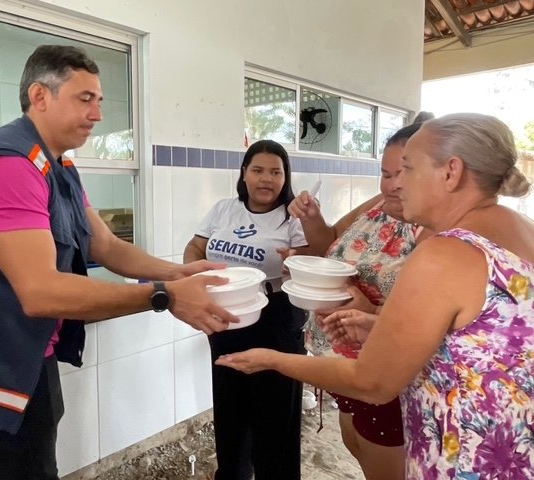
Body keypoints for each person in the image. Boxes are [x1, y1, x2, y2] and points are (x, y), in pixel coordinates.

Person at [0, 45, 238, 480]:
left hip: (28, 346)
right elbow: (40, 292)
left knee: (15, 464)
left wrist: (176, 272)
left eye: (99, 101)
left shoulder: (57, 165)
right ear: (40, 96)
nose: (97, 114)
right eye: (85, 99)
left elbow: (104, 245)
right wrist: (164, 296)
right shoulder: (8, 164)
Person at [216, 113, 534, 480]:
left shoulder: (446, 253)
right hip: (516, 447)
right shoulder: (519, 229)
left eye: (408, 169)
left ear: (451, 172)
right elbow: (485, 341)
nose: (396, 185)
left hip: (470, 457)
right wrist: (379, 327)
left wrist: (272, 360)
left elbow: (372, 382)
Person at [287, 119, 431, 480]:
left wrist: (368, 310)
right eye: (386, 173)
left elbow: (428, 318)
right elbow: (329, 243)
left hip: (382, 369)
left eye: (403, 173)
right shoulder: (380, 204)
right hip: (344, 362)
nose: (393, 184)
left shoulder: (434, 229)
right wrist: (312, 219)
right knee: (355, 442)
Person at [183, 139, 313, 480]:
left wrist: (298, 261)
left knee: (275, 414)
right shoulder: (224, 209)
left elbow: (313, 263)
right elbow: (195, 247)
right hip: (226, 316)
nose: (266, 179)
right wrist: (195, 275)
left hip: (275, 316)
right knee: (230, 407)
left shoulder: (293, 219)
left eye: (275, 172)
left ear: (286, 177)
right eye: (258, 170)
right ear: (244, 173)